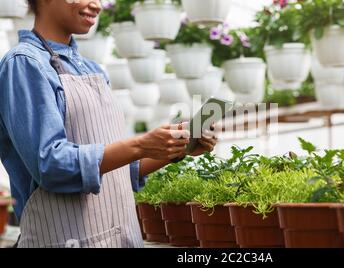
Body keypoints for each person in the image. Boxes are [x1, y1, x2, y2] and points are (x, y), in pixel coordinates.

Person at [0, 0, 217, 248]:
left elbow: (119, 169)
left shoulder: (93, 70)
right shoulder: (24, 63)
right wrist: (140, 144)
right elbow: (50, 164)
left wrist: (177, 147)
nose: (97, 5)